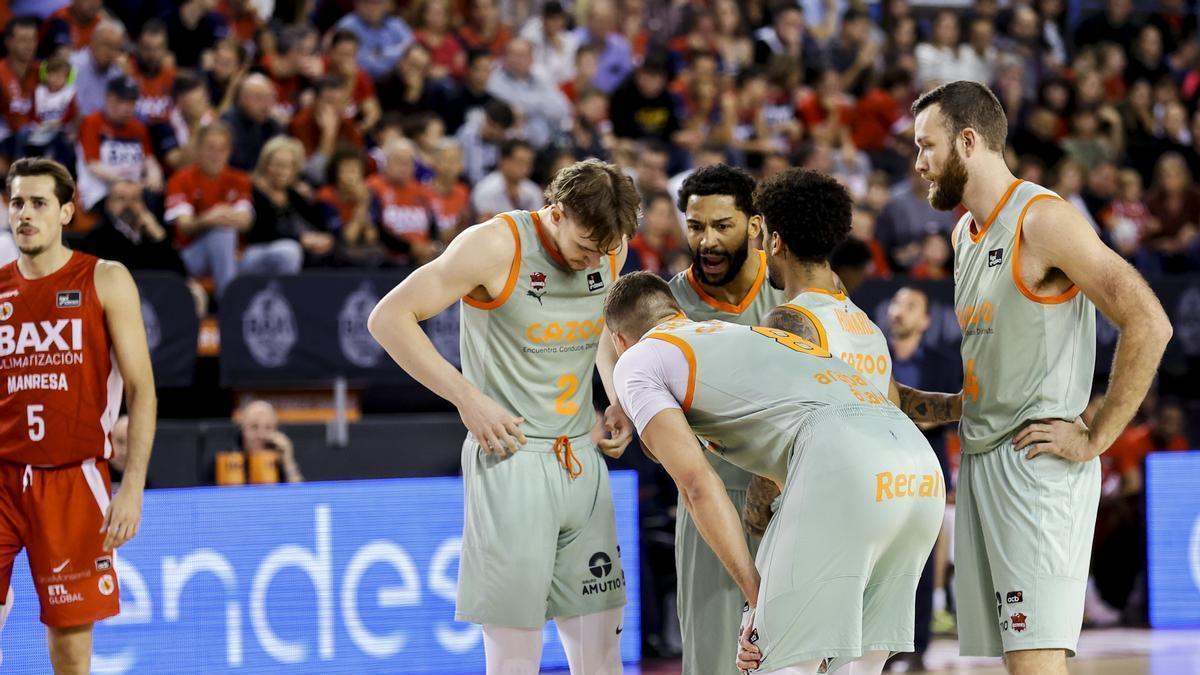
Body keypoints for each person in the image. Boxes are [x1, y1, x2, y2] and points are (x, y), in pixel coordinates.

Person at [911, 80, 1172, 674]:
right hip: (983, 460)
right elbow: (1006, 370)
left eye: (928, 146)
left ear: (968, 141)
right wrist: (934, 405)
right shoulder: (963, 234)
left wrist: (1095, 434)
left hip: (1036, 468)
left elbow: (1149, 322)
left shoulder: (1043, 219)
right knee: (1016, 660)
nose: (919, 162)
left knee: (1036, 662)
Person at [368, 159, 639, 674]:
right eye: (585, 246)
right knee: (517, 660)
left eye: (605, 251)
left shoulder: (610, 245)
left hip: (582, 457)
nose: (593, 260)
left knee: (603, 657)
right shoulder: (495, 244)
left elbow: (599, 324)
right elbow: (387, 318)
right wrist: (466, 398)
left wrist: (616, 393)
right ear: (556, 213)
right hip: (513, 458)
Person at [605, 272, 944, 675]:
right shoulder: (741, 334)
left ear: (619, 340)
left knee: (776, 659)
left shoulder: (638, 360)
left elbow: (696, 483)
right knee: (858, 664)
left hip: (840, 459)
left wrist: (756, 596)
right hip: (917, 463)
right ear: (677, 312)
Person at [0, 158, 156, 674]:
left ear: (66, 211)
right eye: (17, 202)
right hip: (2, 479)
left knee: (69, 654)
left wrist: (130, 487)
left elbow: (142, 389)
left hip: (71, 480)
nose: (25, 214)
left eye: (39, 203)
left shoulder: (105, 278)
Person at [663, 164, 785, 675]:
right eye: (695, 226)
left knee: (793, 657)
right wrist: (621, 408)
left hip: (791, 497)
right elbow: (612, 338)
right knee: (712, 662)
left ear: (754, 225)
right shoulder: (671, 302)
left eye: (722, 225)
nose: (707, 240)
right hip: (709, 501)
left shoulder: (793, 286)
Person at [164, 121, 252, 296]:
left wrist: (219, 215)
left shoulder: (240, 179)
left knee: (286, 253)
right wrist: (210, 218)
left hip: (234, 255)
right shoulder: (180, 180)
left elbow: (245, 222)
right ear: (198, 149)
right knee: (223, 233)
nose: (216, 155)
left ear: (230, 152)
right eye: (210, 148)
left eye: (222, 149)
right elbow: (185, 226)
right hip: (193, 255)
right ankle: (229, 307)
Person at [213, 400, 304, 485]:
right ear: (242, 428)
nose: (261, 435)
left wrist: (288, 461)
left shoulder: (280, 459)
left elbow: (298, 496)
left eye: (268, 427)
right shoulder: (225, 459)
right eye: (254, 427)